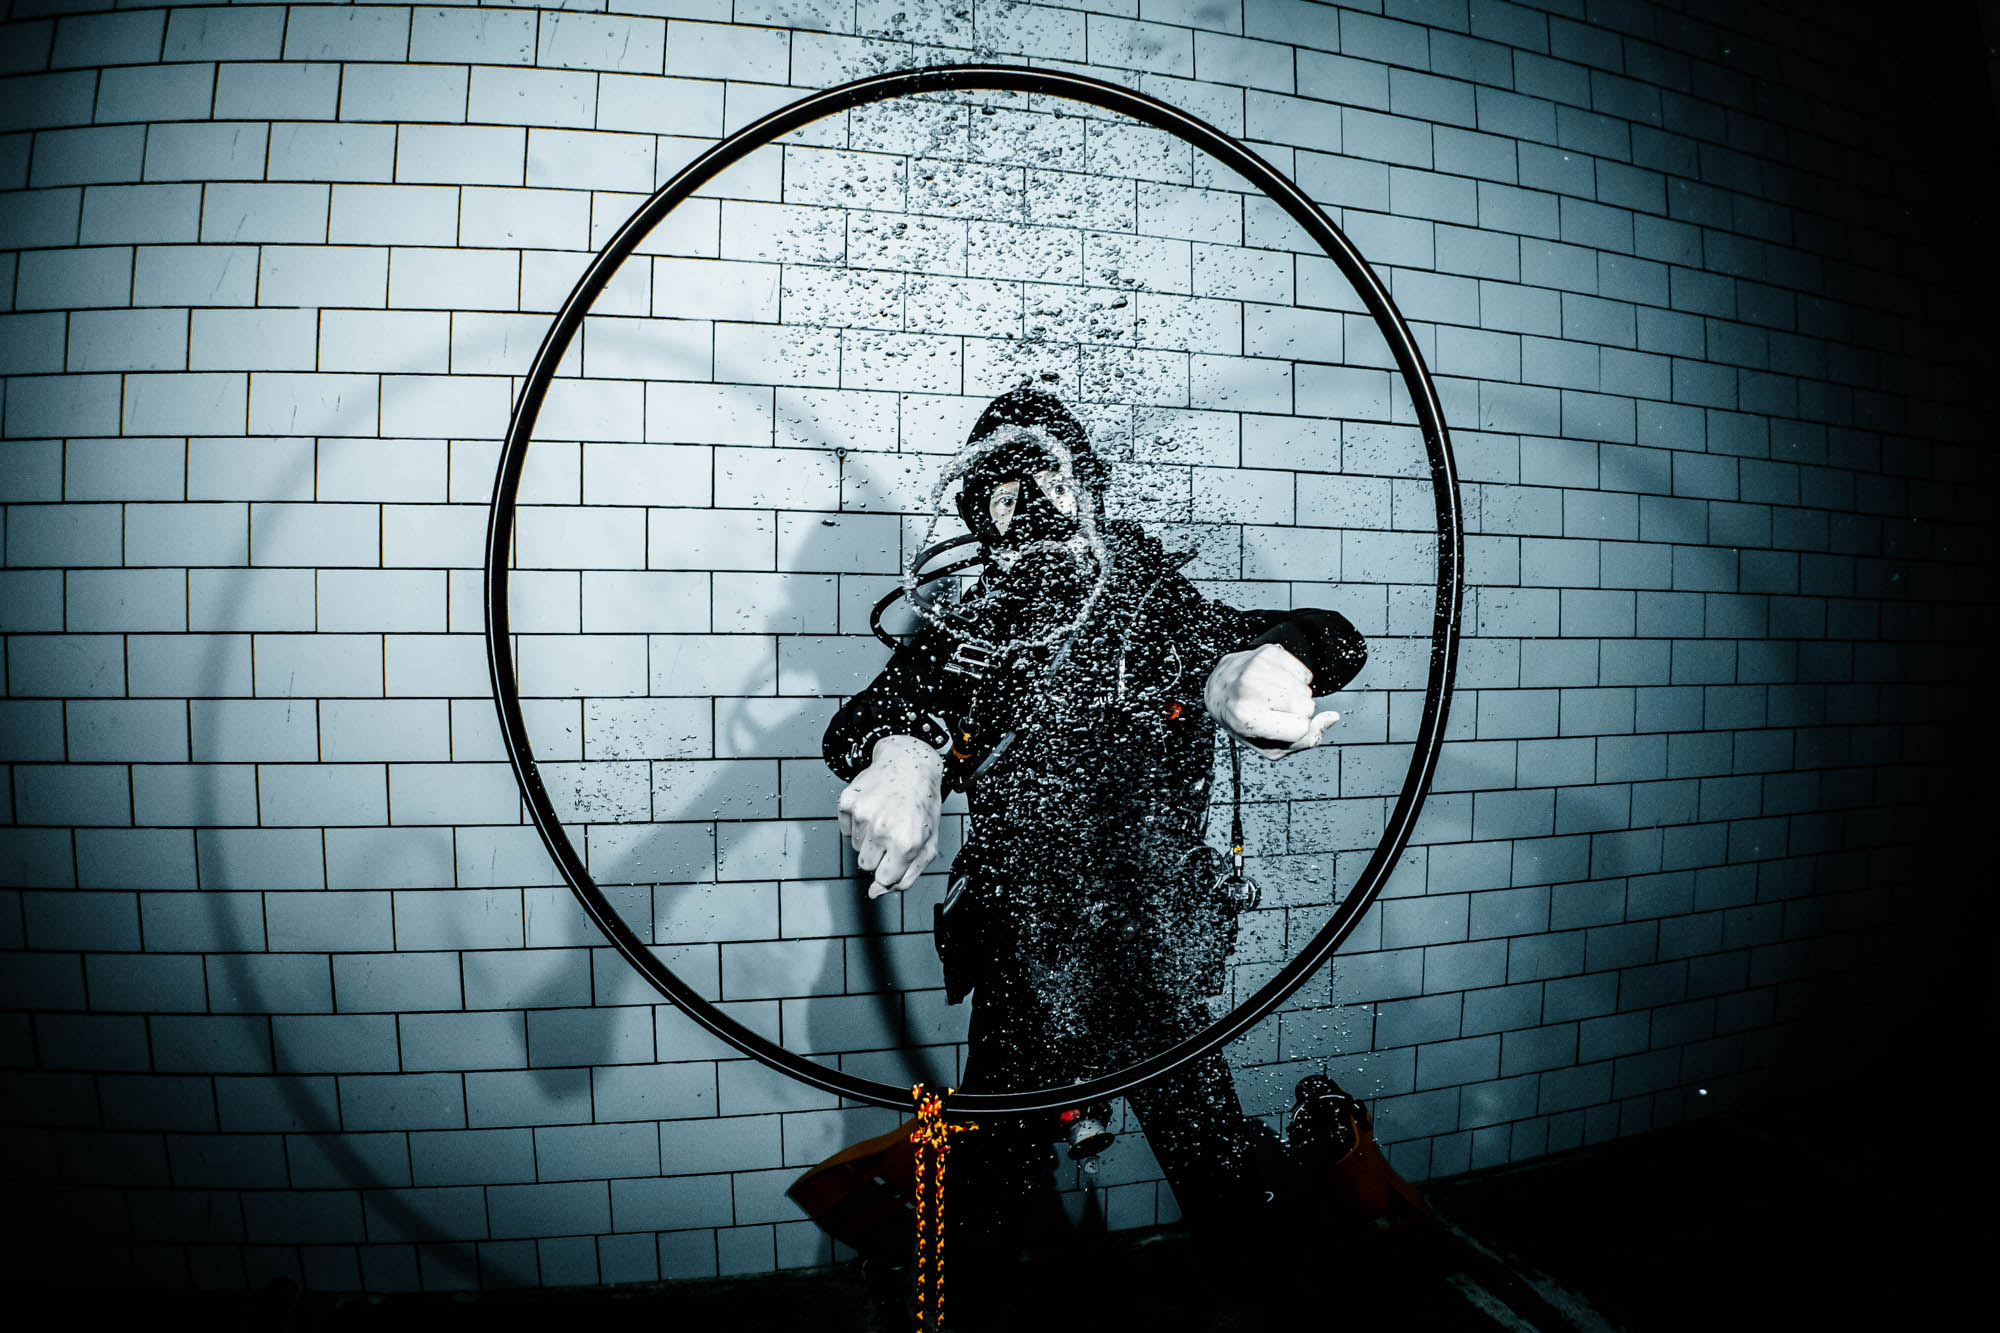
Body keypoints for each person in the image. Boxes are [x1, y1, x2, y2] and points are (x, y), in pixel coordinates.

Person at [822, 384, 1367, 1314]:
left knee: (1218, 1173)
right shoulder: (972, 624)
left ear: (1091, 490)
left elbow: (1303, 638)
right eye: (998, 492)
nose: (1027, 504)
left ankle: (1284, 1298)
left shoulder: (1148, 604)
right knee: (984, 1188)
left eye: (1046, 478)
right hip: (1025, 962)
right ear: (975, 514)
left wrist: (1258, 667)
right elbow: (882, 710)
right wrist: (908, 754)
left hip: (1152, 959)